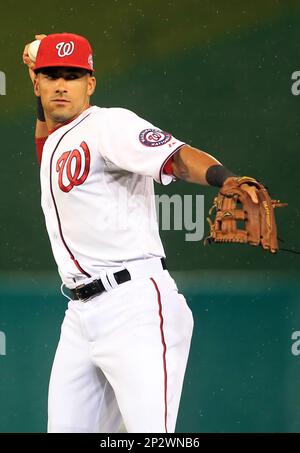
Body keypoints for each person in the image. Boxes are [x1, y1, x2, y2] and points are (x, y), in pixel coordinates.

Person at [23, 32, 259, 433]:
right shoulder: (57, 141)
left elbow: (177, 158)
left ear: (91, 83)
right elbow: (47, 145)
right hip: (80, 316)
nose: (62, 84)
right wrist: (34, 80)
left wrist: (227, 179)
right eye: (51, 75)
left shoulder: (110, 125)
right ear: (37, 82)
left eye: (73, 75)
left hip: (134, 307)